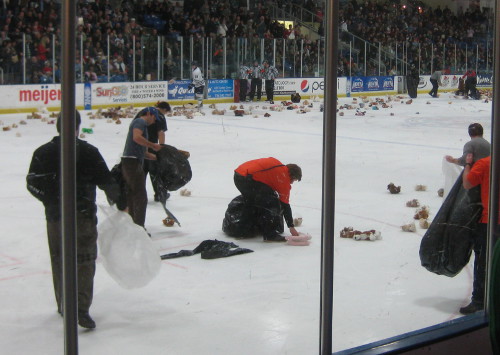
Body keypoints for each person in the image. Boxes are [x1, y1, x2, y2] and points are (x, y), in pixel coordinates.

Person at [26, 110, 120, 329]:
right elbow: (107, 182)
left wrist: (49, 201)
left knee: (59, 259)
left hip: (55, 218)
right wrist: (120, 203)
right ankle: (81, 308)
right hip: (83, 216)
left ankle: (63, 304)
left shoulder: (43, 152)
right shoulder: (88, 152)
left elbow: (31, 183)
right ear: (77, 128)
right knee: (84, 261)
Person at [233, 157, 302, 242]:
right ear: (291, 175)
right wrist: (291, 227)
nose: (291, 183)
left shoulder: (278, 167)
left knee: (251, 202)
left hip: (238, 175)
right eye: (293, 180)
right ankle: (270, 235)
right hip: (248, 178)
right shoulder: (283, 177)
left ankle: (241, 231)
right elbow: (285, 204)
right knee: (272, 203)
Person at [121, 107, 163, 227]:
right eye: (154, 118)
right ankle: (139, 227)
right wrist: (153, 145)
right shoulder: (140, 122)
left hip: (131, 161)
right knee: (140, 196)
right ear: (149, 114)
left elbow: (143, 153)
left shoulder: (143, 126)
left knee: (132, 193)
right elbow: (136, 137)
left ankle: (132, 223)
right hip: (132, 162)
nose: (154, 121)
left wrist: (158, 157)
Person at [461, 153, 491, 314]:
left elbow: (467, 183)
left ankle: (479, 300)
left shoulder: (485, 163)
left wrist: (467, 164)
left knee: (482, 261)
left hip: (490, 222)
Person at [136, 102, 171, 202]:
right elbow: (161, 133)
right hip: (152, 145)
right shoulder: (159, 116)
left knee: (141, 171)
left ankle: (138, 194)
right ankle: (159, 194)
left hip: (139, 145)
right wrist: (162, 147)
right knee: (155, 171)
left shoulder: (142, 112)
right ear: (164, 110)